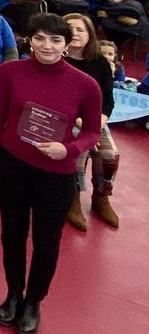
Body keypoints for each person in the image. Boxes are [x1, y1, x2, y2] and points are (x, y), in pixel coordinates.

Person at [0, 13, 101, 334]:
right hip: (14, 164)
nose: (47, 46)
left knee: (47, 242)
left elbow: (91, 131)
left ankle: (34, 301)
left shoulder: (86, 84)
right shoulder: (9, 71)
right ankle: (13, 293)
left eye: (55, 40)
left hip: (56, 172)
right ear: (29, 40)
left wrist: (70, 150)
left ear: (66, 44)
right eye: (40, 38)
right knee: (12, 234)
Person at [61, 14, 119, 231]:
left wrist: (95, 126)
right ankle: (73, 199)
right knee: (81, 149)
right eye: (70, 28)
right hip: (65, 121)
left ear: (90, 35)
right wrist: (85, 129)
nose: (75, 33)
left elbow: (108, 102)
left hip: (94, 121)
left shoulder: (101, 63)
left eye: (80, 29)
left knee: (109, 154)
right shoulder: (57, 59)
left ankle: (101, 198)